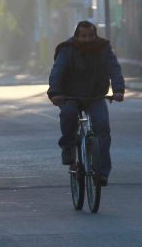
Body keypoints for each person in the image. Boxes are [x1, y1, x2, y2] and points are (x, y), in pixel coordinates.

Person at [47, 21, 125, 186]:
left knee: (102, 129)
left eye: (91, 36)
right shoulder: (66, 50)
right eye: (83, 36)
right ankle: (68, 147)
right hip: (70, 96)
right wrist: (55, 93)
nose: (88, 39)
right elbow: (57, 72)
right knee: (68, 114)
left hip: (95, 96)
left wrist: (118, 90)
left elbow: (114, 69)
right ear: (76, 36)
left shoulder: (103, 48)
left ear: (95, 35)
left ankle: (102, 173)